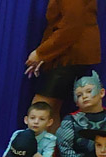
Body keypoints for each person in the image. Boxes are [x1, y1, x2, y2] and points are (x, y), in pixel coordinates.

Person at [26, 0, 100, 128]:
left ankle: (36, 142)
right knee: (51, 111)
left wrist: (41, 53)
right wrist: (46, 54)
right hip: (67, 54)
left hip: (70, 55)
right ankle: (51, 142)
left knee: (41, 110)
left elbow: (71, 27)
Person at [55, 72, 106, 157]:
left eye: (89, 91)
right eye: (79, 95)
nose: (85, 96)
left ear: (101, 93)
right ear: (76, 102)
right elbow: (64, 147)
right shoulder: (70, 120)